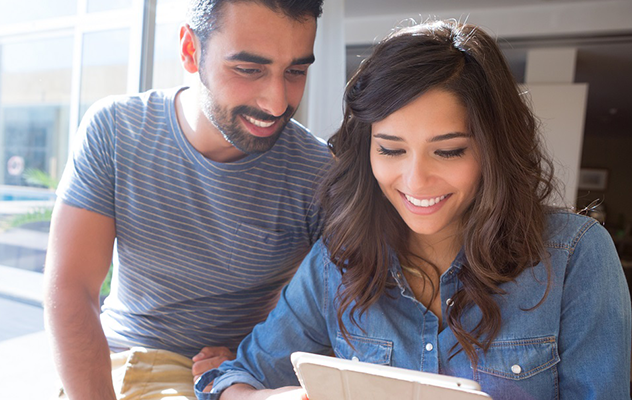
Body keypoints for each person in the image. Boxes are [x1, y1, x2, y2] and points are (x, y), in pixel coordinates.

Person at [194, 20, 632, 400]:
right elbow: (230, 375)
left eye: (449, 152)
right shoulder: (340, 259)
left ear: (493, 151)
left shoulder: (574, 257)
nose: (415, 181)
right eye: (391, 149)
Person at [44, 0, 331, 398]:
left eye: (296, 71)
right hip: (130, 360)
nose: (277, 102)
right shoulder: (115, 130)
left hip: (240, 372)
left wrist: (255, 363)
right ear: (190, 50)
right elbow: (70, 287)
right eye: (249, 70)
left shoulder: (318, 173)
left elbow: (338, 305)